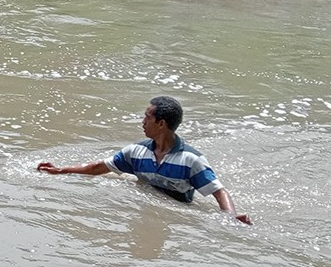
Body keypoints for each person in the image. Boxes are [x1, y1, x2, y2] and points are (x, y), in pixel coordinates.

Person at [37, 96, 252, 224]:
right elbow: (99, 167)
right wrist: (62, 170)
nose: (142, 122)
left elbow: (218, 191)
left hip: (176, 211)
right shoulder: (137, 151)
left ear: (161, 124)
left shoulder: (190, 159)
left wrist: (229, 219)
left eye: (147, 118)